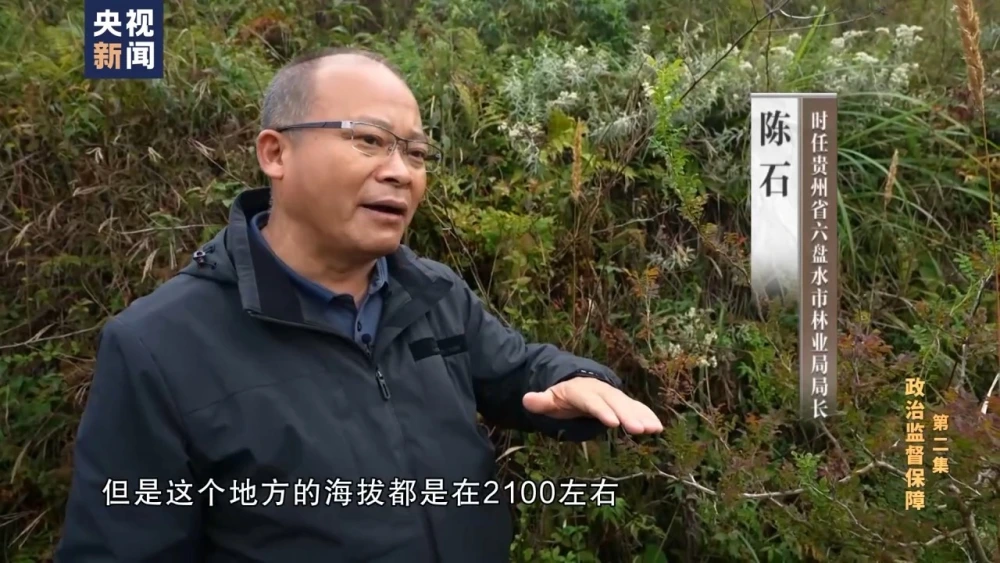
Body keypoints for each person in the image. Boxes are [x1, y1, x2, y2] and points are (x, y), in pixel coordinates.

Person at [55, 47, 663, 563]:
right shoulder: (159, 347)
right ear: (276, 154)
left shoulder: (430, 292)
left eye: (416, 153)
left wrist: (573, 381)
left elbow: (518, 370)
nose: (401, 172)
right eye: (368, 140)